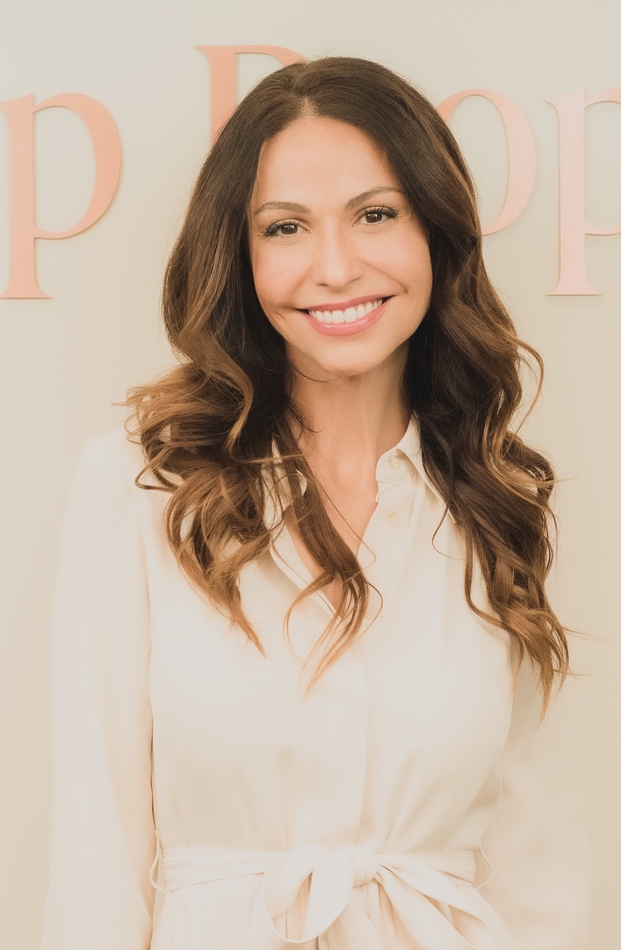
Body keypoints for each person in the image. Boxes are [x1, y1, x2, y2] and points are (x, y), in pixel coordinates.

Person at [42, 57, 590, 950]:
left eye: (375, 215)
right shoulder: (140, 488)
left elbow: (541, 872)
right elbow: (94, 848)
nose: (334, 267)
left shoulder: (497, 506)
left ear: (436, 233)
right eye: (285, 227)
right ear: (241, 255)